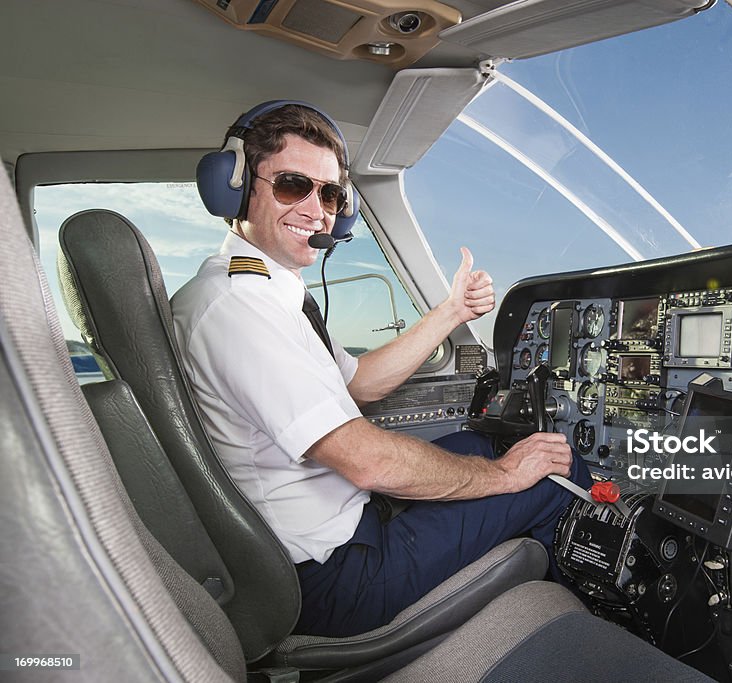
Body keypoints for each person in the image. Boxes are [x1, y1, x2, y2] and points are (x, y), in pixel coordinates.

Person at [171, 102, 593, 637]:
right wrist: (509, 477)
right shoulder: (239, 310)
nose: (315, 208)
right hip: (335, 579)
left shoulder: (261, 292)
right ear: (234, 185)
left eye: (329, 193)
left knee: (476, 446)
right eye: (291, 185)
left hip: (321, 537)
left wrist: (453, 312)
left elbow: (358, 384)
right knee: (553, 470)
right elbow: (366, 463)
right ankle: (577, 633)